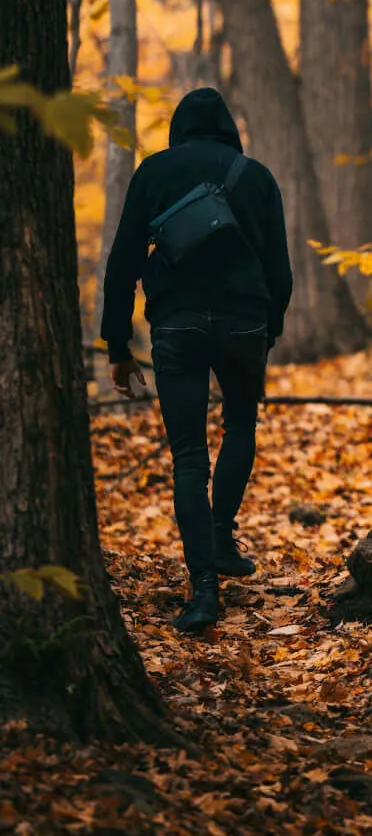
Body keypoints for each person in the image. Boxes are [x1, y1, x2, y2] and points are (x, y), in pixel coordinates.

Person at [101, 88, 293, 633]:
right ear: (229, 128)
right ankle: (222, 535)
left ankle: (204, 590)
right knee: (240, 424)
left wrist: (118, 347)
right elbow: (280, 273)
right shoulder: (254, 175)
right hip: (243, 324)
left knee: (188, 457)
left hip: (177, 325)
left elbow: (121, 265)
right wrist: (268, 334)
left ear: (178, 128)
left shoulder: (153, 172)